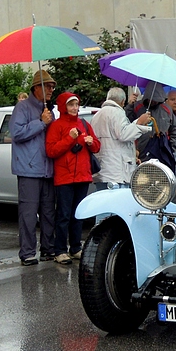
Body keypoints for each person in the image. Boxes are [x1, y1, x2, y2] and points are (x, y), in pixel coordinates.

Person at [45, 92, 100, 264]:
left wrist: (91, 142)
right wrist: (70, 138)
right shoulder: (56, 125)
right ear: (63, 106)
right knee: (64, 214)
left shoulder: (84, 123)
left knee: (79, 214)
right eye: (71, 105)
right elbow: (51, 151)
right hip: (65, 177)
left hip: (82, 176)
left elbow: (97, 147)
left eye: (76, 104)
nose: (75, 108)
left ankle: (75, 247)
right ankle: (60, 250)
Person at [11, 70, 57, 266]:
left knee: (48, 213)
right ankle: (28, 252)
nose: (50, 89)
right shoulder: (22, 108)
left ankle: (48, 249)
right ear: (36, 88)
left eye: (52, 86)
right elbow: (17, 133)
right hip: (29, 169)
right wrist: (41, 123)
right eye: (47, 86)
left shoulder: (50, 111)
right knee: (28, 214)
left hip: (47, 168)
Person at [91, 87, 151, 190]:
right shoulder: (117, 112)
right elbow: (124, 134)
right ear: (123, 101)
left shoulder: (96, 116)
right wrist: (140, 123)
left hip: (102, 171)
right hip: (117, 173)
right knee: (118, 204)